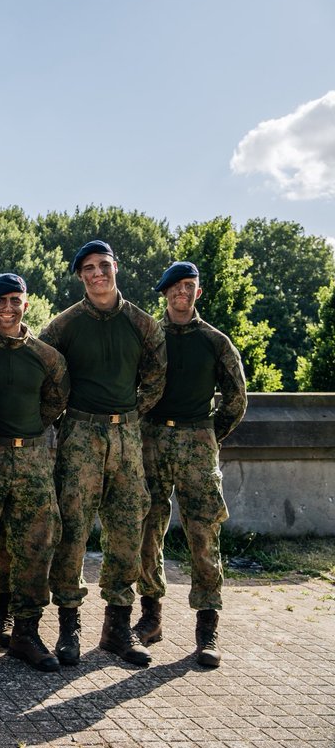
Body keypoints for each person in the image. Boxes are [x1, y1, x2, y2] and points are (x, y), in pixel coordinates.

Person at [38, 240, 166, 667]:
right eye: (89, 268)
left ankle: (117, 627)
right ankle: (68, 627)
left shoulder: (142, 324)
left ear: (116, 267)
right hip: (80, 435)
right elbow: (45, 374)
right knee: (72, 530)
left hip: (126, 436)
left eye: (104, 265)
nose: (97, 273)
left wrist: (129, 414)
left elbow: (155, 378)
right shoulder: (64, 326)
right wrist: (65, 417)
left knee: (127, 528)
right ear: (80, 276)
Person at [134, 261, 247, 668]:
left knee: (204, 532)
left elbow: (236, 397)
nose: (181, 292)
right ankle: (150, 617)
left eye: (188, 286)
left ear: (197, 292)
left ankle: (207, 628)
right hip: (152, 438)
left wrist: (210, 434)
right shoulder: (150, 337)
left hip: (197, 440)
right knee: (147, 527)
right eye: (175, 286)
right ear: (165, 293)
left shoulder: (215, 341)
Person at [0, 273, 69, 672]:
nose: (7, 309)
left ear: (25, 305)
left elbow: (55, 400)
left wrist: (27, 432)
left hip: (32, 460)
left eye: (15, 301)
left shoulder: (46, 356)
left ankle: (25, 630)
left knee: (35, 545)